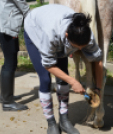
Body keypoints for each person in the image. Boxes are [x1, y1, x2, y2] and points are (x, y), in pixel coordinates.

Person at [24, 4, 103, 134]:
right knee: (45, 79)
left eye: (82, 47)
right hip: (35, 29)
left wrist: (98, 88)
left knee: (63, 77)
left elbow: (97, 59)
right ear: (67, 35)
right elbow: (48, 65)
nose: (80, 50)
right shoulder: (50, 34)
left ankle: (64, 120)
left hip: (57, 27)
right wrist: (73, 81)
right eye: (77, 47)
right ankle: (51, 123)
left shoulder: (85, 34)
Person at [0, 0, 30, 111]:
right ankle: (7, 102)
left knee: (9, 61)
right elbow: (23, 5)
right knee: (10, 62)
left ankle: (5, 96)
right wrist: (33, 17)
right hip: (5, 25)